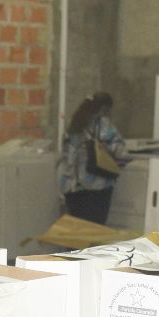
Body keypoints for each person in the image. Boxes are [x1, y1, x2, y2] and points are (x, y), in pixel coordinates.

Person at [58, 91, 127, 224]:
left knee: (77, 230)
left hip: (71, 187)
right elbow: (120, 151)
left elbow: (66, 154)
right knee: (94, 230)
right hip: (95, 185)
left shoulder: (73, 123)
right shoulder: (102, 124)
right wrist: (106, 148)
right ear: (105, 108)